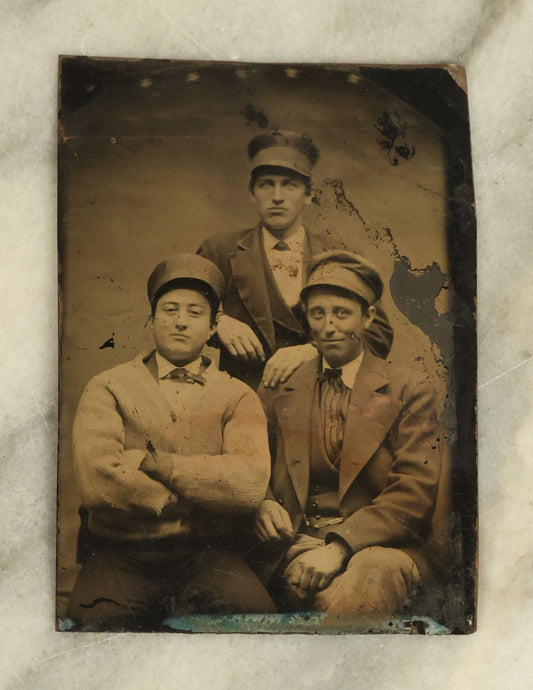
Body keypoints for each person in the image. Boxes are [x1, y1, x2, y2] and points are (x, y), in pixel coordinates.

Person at [66, 254, 276, 631]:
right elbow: (98, 484)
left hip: (209, 557)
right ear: (152, 320)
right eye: (170, 309)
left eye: (195, 313)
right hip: (121, 555)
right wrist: (198, 496)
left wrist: (164, 468)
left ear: (213, 327)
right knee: (89, 636)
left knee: (260, 628)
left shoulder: (238, 396)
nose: (180, 321)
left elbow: (250, 484)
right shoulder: (107, 386)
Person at [254, 250, 450, 624]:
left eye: (342, 313)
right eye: (317, 314)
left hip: (384, 547)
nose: (328, 326)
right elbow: (250, 463)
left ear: (369, 316)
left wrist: (339, 547)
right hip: (300, 545)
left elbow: (414, 491)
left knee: (366, 581)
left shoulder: (409, 388)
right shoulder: (281, 387)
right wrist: (262, 504)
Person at [198, 130, 393, 390]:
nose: (277, 196)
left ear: (308, 194)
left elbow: (378, 333)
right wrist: (218, 321)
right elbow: (179, 313)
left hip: (324, 398)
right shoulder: (220, 249)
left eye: (289, 185)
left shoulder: (338, 253)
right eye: (266, 184)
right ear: (252, 194)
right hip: (244, 399)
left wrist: (314, 350)